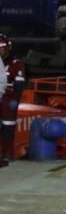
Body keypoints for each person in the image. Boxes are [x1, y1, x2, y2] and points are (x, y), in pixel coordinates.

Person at [1, 35, 26, 168]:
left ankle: (7, 154)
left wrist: (15, 99)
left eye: (2, 48)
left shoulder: (16, 63)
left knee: (8, 128)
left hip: (8, 99)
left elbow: (19, 84)